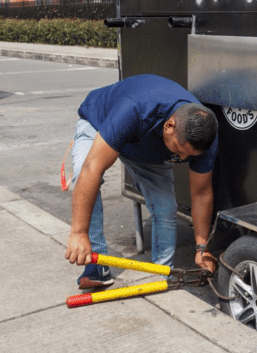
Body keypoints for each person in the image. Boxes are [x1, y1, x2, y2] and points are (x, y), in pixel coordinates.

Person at [65, 74, 218, 289]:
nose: (182, 159)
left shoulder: (205, 137)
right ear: (169, 125)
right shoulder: (135, 108)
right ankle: (96, 266)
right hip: (100, 123)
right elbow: (92, 169)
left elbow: (201, 194)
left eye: (189, 156)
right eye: (179, 150)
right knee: (84, 170)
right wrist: (78, 232)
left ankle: (160, 274)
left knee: (166, 208)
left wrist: (202, 247)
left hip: (146, 145)